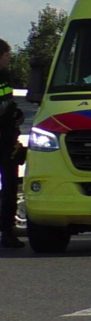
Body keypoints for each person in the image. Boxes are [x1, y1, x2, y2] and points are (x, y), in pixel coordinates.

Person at [0, 39, 25, 248]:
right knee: (8, 187)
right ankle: (6, 232)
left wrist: (17, 114)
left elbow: (8, 102)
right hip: (4, 138)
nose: (9, 59)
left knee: (9, 188)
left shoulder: (6, 77)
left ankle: (7, 231)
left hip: (8, 139)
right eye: (7, 55)